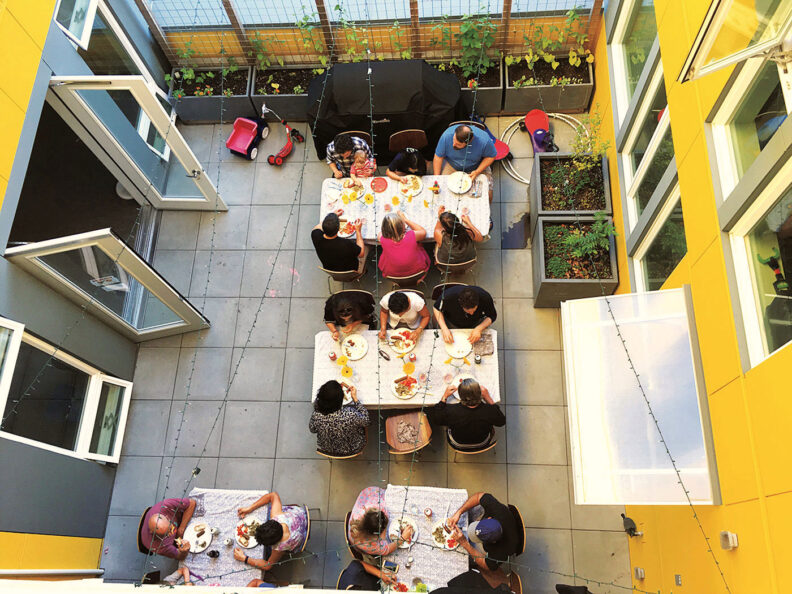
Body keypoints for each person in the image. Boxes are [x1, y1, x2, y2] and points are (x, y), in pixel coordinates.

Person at [233, 492, 308, 573]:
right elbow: (273, 495)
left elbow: (267, 566)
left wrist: (245, 558)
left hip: (301, 536)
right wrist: (250, 508)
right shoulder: (277, 516)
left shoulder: (279, 548)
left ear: (272, 544)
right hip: (301, 516)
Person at [446, 492, 519, 571]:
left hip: (501, 544)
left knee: (465, 558)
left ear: (493, 542)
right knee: (477, 507)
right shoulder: (498, 511)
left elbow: (486, 565)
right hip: (505, 520)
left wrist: (465, 544)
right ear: (489, 518)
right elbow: (478, 497)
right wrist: (459, 512)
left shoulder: (502, 550)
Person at [430, 379, 504, 450]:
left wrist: (445, 396)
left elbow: (437, 420)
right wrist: (488, 397)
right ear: (480, 395)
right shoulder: (489, 410)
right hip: (482, 442)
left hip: (458, 443)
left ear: (460, 396)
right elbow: (501, 422)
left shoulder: (451, 410)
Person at [433, 125, 497, 202]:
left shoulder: (484, 140)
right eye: (454, 140)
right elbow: (438, 157)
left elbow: (491, 156)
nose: (453, 144)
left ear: (468, 142)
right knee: (443, 193)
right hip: (452, 166)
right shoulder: (446, 136)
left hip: (476, 167)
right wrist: (436, 178)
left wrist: (477, 171)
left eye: (458, 144)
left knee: (487, 195)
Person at [348, 487, 413, 559]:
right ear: (377, 536)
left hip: (369, 495)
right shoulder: (369, 544)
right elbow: (387, 549)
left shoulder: (373, 507)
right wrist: (402, 539)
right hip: (360, 544)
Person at [310, 380, 370, 456]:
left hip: (327, 449)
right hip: (352, 448)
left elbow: (312, 430)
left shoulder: (316, 415)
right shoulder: (351, 414)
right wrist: (355, 399)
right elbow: (367, 420)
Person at [378, 211, 430, 279]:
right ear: (403, 227)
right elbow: (423, 232)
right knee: (420, 244)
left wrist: (389, 224)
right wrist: (405, 219)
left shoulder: (382, 239)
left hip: (393, 275)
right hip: (418, 273)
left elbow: (380, 233)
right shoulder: (411, 235)